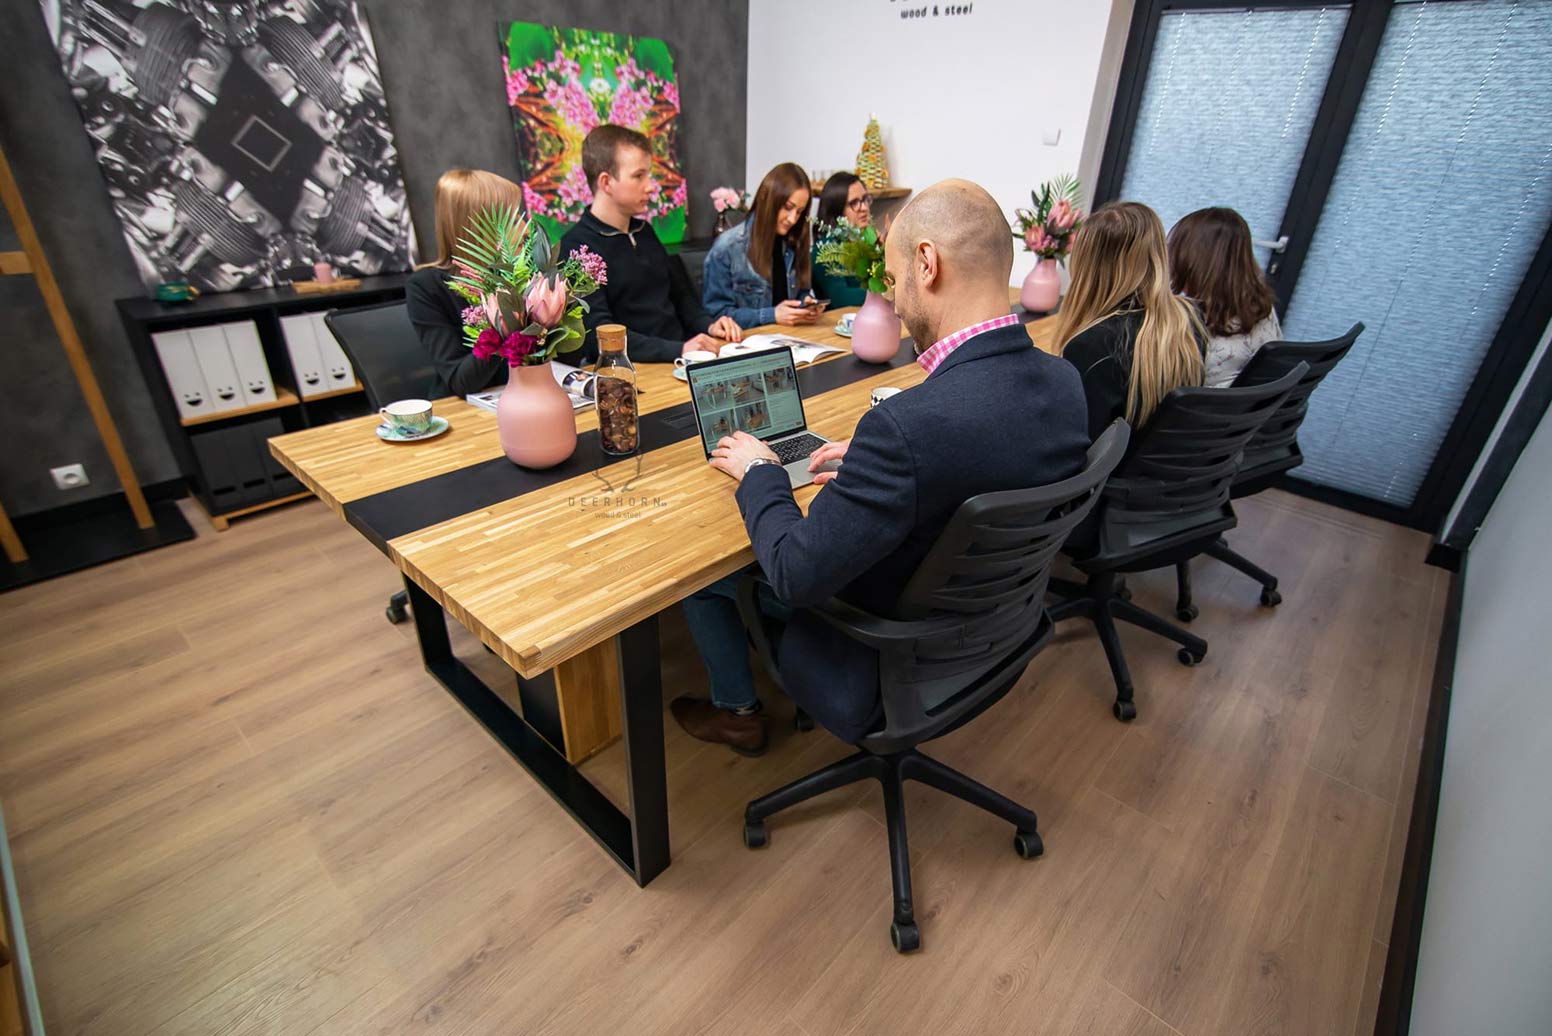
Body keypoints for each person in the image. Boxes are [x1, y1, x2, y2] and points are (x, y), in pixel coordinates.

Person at [672, 179, 1090, 754]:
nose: (891, 300)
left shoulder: (908, 427)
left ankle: (736, 709)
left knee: (711, 580)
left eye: (892, 281)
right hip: (996, 638)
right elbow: (977, 465)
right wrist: (882, 471)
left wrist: (760, 471)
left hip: (883, 661)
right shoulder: (1066, 383)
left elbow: (794, 573)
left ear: (927, 264)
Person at [559, 125, 742, 362]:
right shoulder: (577, 247)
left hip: (679, 360)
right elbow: (599, 336)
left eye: (648, 174)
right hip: (633, 371)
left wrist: (710, 325)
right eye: (638, 176)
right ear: (606, 182)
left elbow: (682, 298)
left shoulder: (644, 231)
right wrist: (679, 350)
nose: (650, 186)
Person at [1054, 201, 1206, 443]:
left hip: (1106, 476)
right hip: (1158, 468)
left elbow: (1076, 444)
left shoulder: (1090, 345)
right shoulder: (1188, 319)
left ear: (1087, 266)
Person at [406, 169, 521, 397]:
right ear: (480, 228)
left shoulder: (519, 274)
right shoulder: (426, 288)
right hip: (468, 415)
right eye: (513, 220)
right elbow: (462, 382)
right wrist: (501, 328)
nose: (523, 230)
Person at [1167, 207, 1282, 388]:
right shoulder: (1262, 309)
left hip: (1195, 413)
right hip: (1243, 412)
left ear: (1192, 261)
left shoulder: (1190, 329)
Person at [702, 162, 817, 328]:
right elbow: (717, 316)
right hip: (748, 345)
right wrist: (772, 315)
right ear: (768, 200)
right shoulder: (728, 247)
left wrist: (805, 304)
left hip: (792, 338)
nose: (792, 219)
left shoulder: (794, 241)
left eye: (799, 212)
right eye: (788, 207)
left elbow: (800, 292)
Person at [810, 172, 872, 308]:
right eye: (854, 203)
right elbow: (840, 297)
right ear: (837, 209)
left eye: (865, 199)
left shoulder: (865, 241)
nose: (864, 208)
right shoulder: (826, 248)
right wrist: (885, 292)